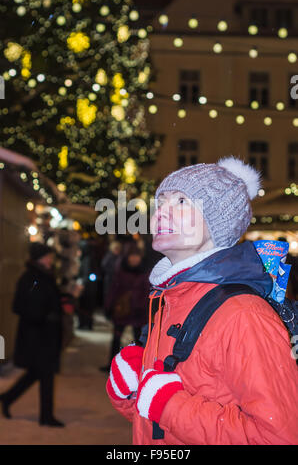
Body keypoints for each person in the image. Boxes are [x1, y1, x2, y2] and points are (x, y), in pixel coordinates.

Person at [106, 156, 298, 445]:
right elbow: (165, 427)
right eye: (161, 203)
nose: (161, 213)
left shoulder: (243, 314)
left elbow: (279, 437)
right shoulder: (170, 298)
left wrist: (169, 404)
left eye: (181, 202)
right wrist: (133, 392)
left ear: (218, 222)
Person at [0, 243, 64, 427]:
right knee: (46, 373)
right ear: (40, 258)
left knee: (38, 373)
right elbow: (23, 306)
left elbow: (48, 300)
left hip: (44, 334)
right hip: (38, 335)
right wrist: (48, 315)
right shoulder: (32, 278)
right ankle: (46, 416)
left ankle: (7, 398)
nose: (51, 259)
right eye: (48, 256)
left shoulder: (43, 275)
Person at [100, 247, 150, 372]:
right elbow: (113, 290)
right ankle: (112, 365)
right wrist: (108, 307)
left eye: (136, 256)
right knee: (116, 338)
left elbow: (148, 292)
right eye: (131, 256)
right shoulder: (120, 271)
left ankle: (139, 366)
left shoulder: (145, 273)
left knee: (139, 341)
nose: (134, 259)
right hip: (122, 310)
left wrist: (143, 307)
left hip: (139, 312)